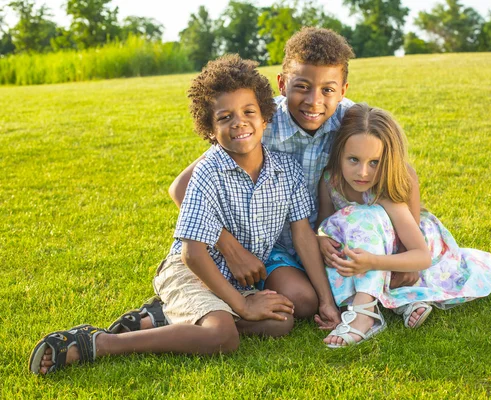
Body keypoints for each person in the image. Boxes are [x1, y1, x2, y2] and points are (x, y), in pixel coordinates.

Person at [29, 54, 339, 375]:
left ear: (265, 118)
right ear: (209, 128)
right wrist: (243, 304)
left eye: (249, 112)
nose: (239, 123)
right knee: (222, 335)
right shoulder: (207, 172)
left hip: (231, 278)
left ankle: (164, 317)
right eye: (224, 117)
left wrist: (326, 301)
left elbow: (303, 235)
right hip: (190, 270)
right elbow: (193, 254)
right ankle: (98, 343)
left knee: (281, 321)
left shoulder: (286, 170)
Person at [139, 27, 422, 334]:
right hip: (271, 241)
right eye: (302, 87)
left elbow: (404, 175)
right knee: (302, 300)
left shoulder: (349, 120)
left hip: (326, 238)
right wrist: (232, 249)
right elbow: (180, 188)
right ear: (283, 83)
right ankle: (192, 310)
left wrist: (405, 251)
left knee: (314, 299)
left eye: (327, 90)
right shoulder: (257, 119)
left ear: (342, 90)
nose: (314, 101)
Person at [317, 104, 491, 347]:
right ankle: (402, 300)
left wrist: (374, 262)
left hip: (408, 243)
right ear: (339, 153)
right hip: (365, 249)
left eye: (374, 162)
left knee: (363, 216)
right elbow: (325, 224)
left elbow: (420, 255)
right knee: (340, 247)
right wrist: (321, 239)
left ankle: (366, 314)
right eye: (353, 159)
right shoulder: (331, 181)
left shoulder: (387, 187)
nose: (363, 172)